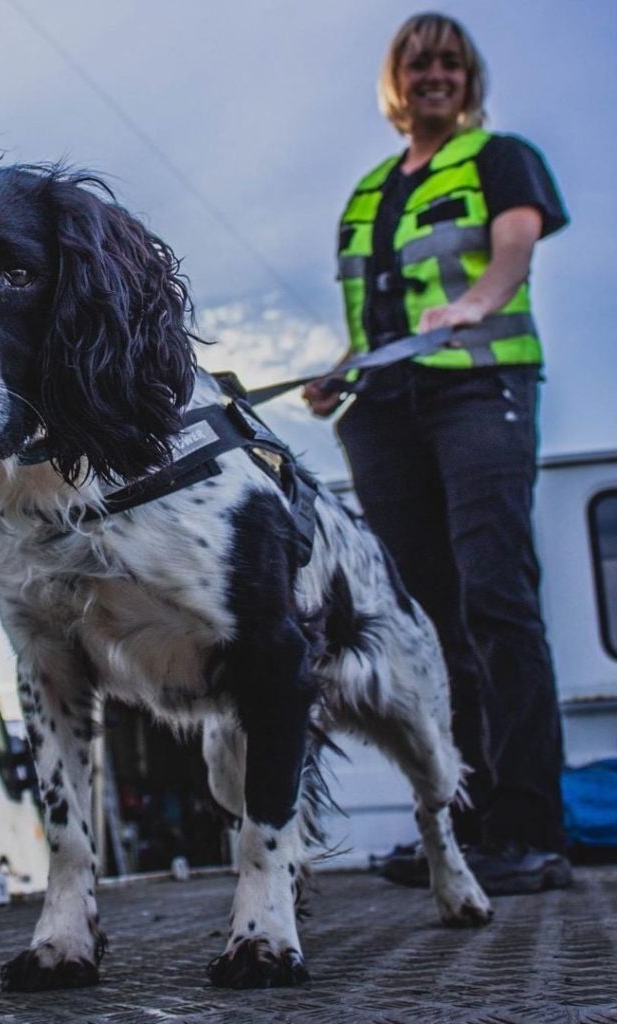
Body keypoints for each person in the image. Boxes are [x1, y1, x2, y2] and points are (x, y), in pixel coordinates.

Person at [304, 12, 571, 894]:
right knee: (425, 616)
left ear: (469, 78)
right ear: (396, 79)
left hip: (476, 387)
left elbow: (515, 247)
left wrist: (475, 304)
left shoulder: (499, 158)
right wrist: (338, 374)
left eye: (451, 62)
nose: (435, 74)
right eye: (419, 62)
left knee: (496, 594)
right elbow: (374, 320)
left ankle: (530, 830)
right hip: (384, 407)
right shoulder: (372, 190)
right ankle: (460, 825)